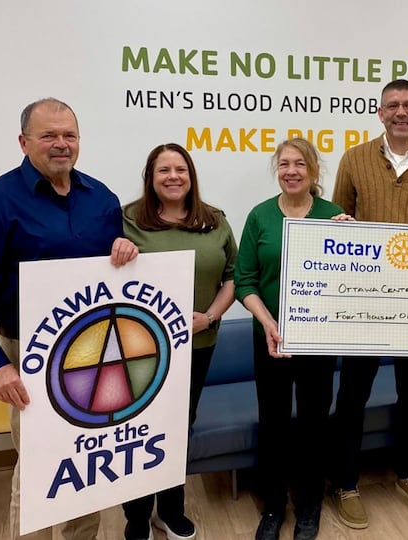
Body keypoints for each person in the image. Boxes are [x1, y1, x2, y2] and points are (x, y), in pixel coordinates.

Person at [0, 98, 138, 540]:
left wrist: (128, 254)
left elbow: (116, 274)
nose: (61, 144)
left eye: (69, 135)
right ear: (23, 141)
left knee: (85, 466)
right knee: (37, 466)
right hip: (26, 351)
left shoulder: (102, 198)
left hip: (92, 349)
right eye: (48, 135)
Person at [330, 79, 408, 529]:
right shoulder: (354, 158)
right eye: (392, 105)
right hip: (365, 300)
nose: (401, 112)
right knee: (353, 394)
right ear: (380, 112)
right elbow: (336, 224)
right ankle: (345, 482)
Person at [121, 143, 238, 540]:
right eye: (163, 170)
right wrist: (118, 250)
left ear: (191, 175)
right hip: (141, 349)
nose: (173, 176)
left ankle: (170, 511)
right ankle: (136, 517)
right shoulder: (127, 220)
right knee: (137, 431)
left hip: (198, 344)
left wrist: (208, 317)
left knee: (177, 428)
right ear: (150, 178)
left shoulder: (215, 220)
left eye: (180, 169)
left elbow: (232, 278)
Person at [235, 138, 348, 540]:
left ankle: (309, 506)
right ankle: (272, 508)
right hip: (271, 338)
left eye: (300, 164)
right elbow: (243, 281)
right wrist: (268, 322)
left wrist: (354, 242)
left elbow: (353, 283)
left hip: (317, 339)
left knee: (315, 424)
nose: (292, 171)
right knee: (274, 424)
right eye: (284, 164)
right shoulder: (260, 216)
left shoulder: (334, 216)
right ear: (276, 170)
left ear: (314, 171)